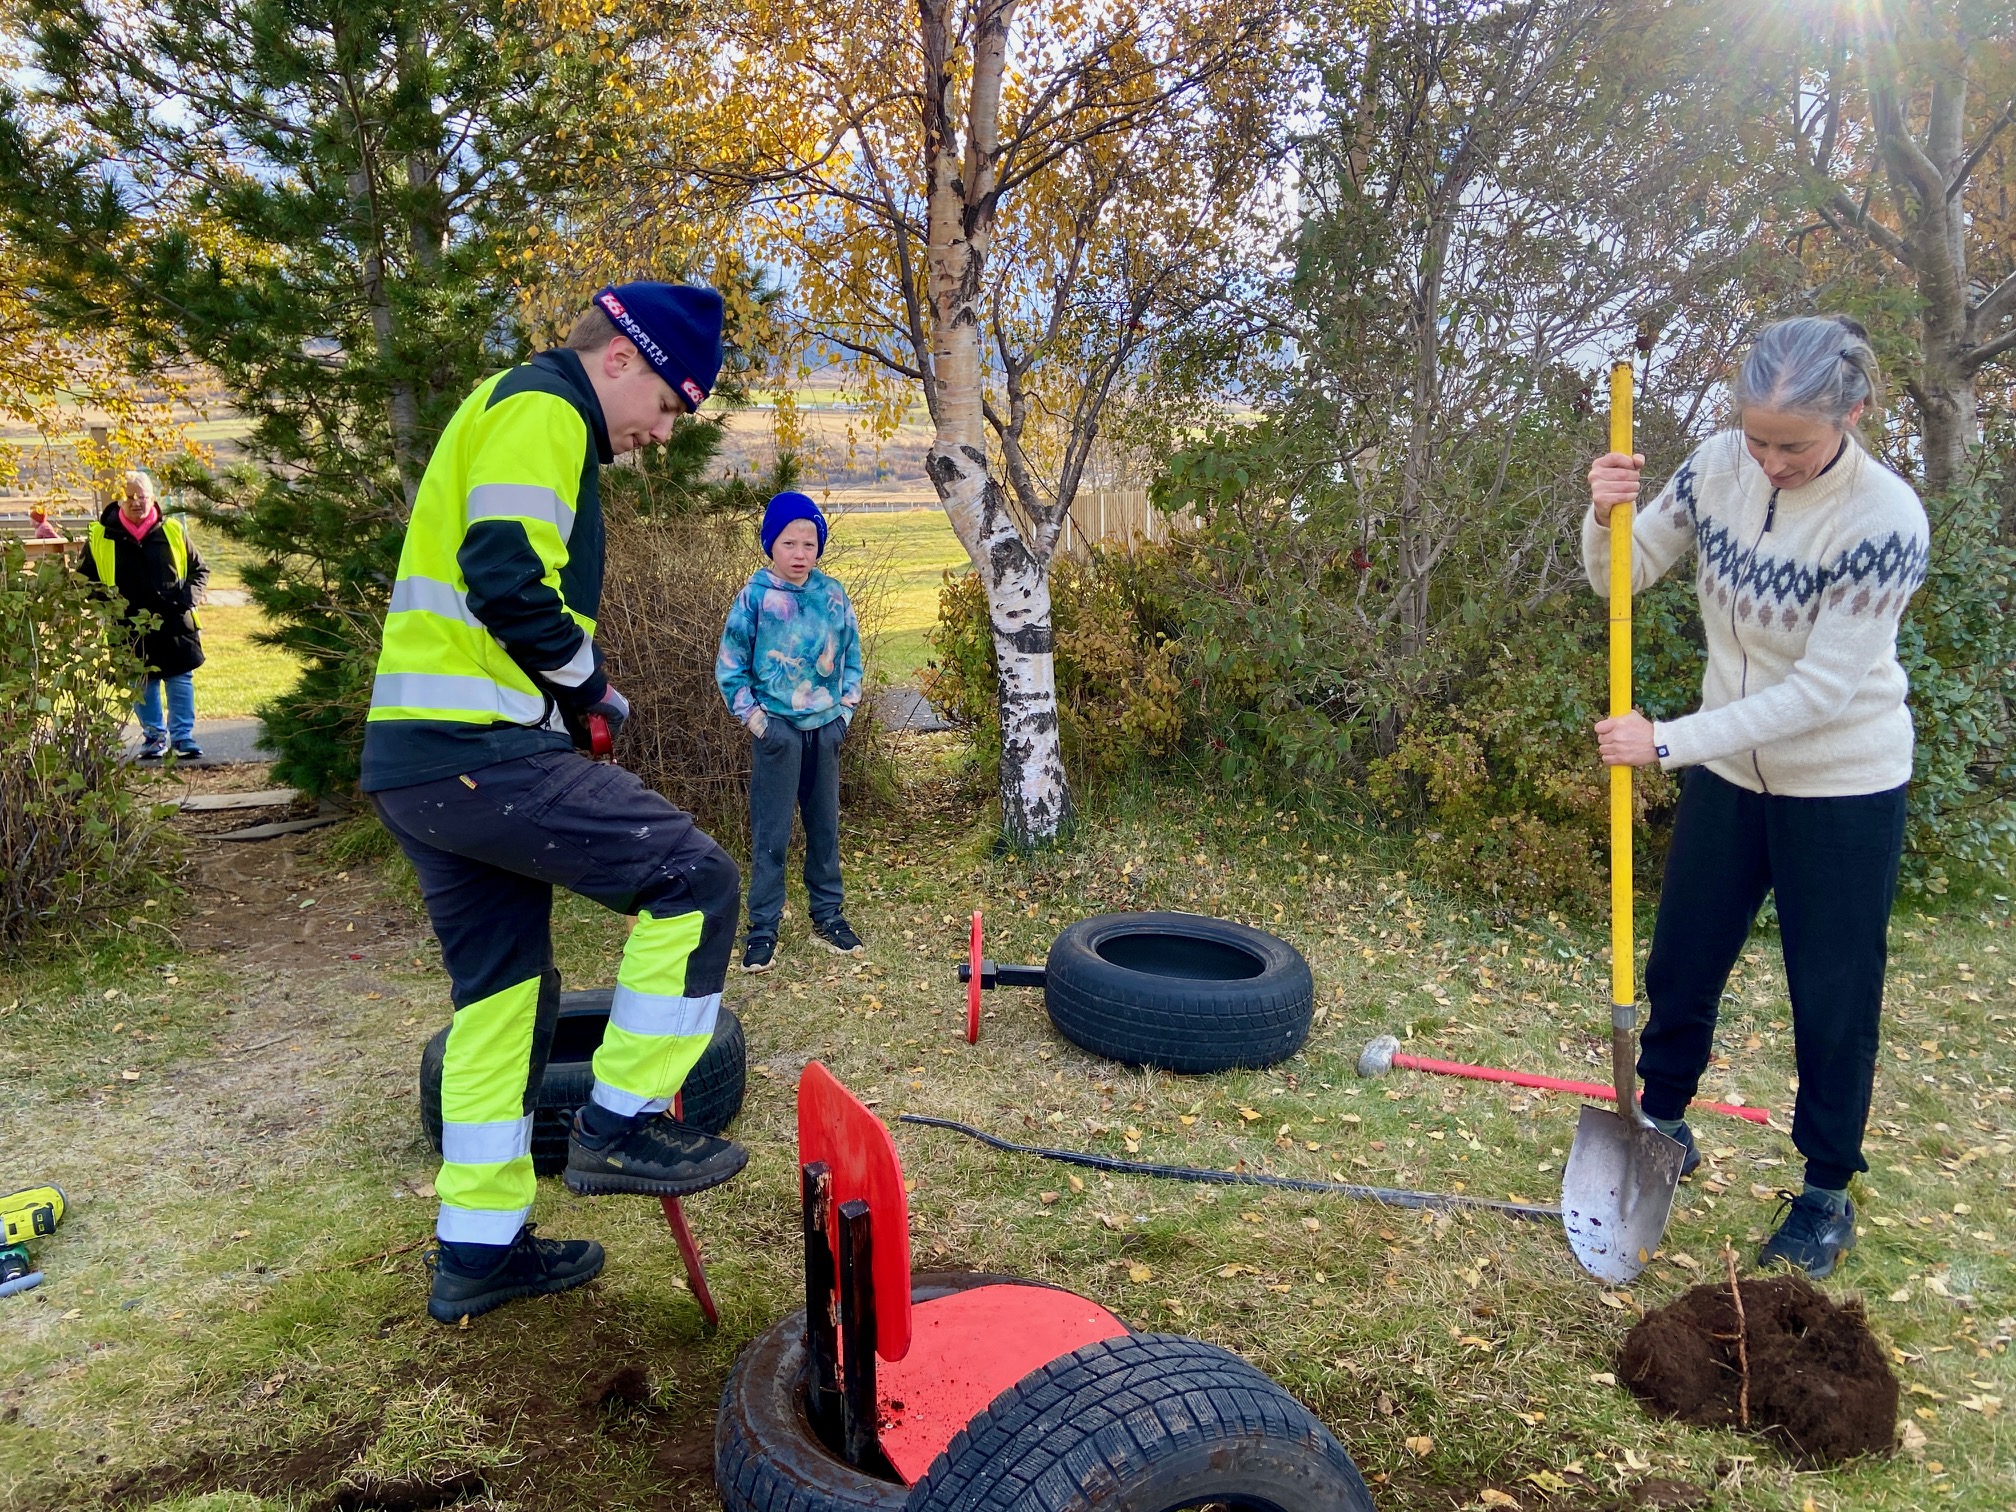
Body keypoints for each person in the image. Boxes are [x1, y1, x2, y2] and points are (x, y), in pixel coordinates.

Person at [360, 282, 748, 1324]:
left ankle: (478, 1252)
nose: (659, 434)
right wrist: (586, 683)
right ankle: (620, 1126)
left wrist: (559, 698)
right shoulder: (545, 408)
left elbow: (494, 590)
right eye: (668, 408)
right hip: (475, 750)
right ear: (622, 359)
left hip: (421, 765)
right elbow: (504, 572)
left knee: (502, 1002)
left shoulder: (506, 406)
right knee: (697, 882)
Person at [1585, 315, 1929, 1279]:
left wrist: (1667, 743)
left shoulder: (1884, 520)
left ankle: (1824, 1191)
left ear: (1852, 415)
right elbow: (1620, 572)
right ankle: (1661, 1126)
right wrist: (1605, 512)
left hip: (1843, 786)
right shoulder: (1716, 466)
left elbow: (1820, 693)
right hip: (1732, 778)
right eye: (1757, 437)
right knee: (1683, 962)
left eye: (1795, 444)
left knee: (1832, 991)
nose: (1771, 460)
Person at [715, 491, 866, 972]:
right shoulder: (754, 598)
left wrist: (843, 715)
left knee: (824, 829)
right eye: (789, 543)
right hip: (776, 732)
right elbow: (730, 668)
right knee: (771, 835)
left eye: (809, 543)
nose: (800, 554)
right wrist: (759, 722)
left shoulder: (833, 595)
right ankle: (762, 928)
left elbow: (852, 660)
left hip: (825, 731)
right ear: (770, 545)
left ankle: (828, 916)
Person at [80, 471, 208, 761]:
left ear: (153, 497)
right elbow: (85, 580)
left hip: (175, 621)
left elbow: (200, 571)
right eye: (129, 496)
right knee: (142, 683)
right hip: (126, 627)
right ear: (119, 500)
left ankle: (183, 738)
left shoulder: (173, 530)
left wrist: (185, 600)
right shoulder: (101, 535)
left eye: (143, 496)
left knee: (179, 680)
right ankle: (154, 739)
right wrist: (108, 605)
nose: (137, 502)